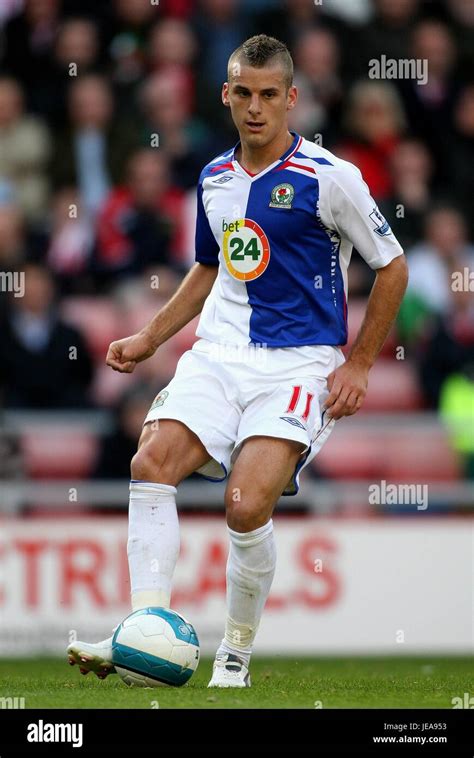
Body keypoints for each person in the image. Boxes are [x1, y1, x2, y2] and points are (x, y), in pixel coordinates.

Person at [67, 35, 408, 688]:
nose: (255, 108)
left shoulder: (329, 177)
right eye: (243, 93)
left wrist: (360, 364)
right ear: (226, 94)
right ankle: (146, 631)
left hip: (299, 364)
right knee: (150, 462)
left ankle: (235, 654)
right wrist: (148, 338)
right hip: (219, 353)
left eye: (269, 95)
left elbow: (391, 266)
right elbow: (208, 267)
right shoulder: (215, 179)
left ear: (291, 99)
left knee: (246, 503)